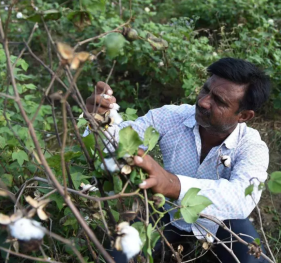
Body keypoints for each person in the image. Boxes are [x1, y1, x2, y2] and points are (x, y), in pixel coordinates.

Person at [86, 58, 271, 262]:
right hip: (165, 210)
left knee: (252, 258)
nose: (203, 102)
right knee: (116, 257)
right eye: (205, 90)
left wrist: (172, 184)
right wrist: (101, 122)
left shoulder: (252, 147)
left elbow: (242, 198)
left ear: (244, 116)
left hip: (220, 222)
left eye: (219, 101)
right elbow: (118, 142)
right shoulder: (170, 117)